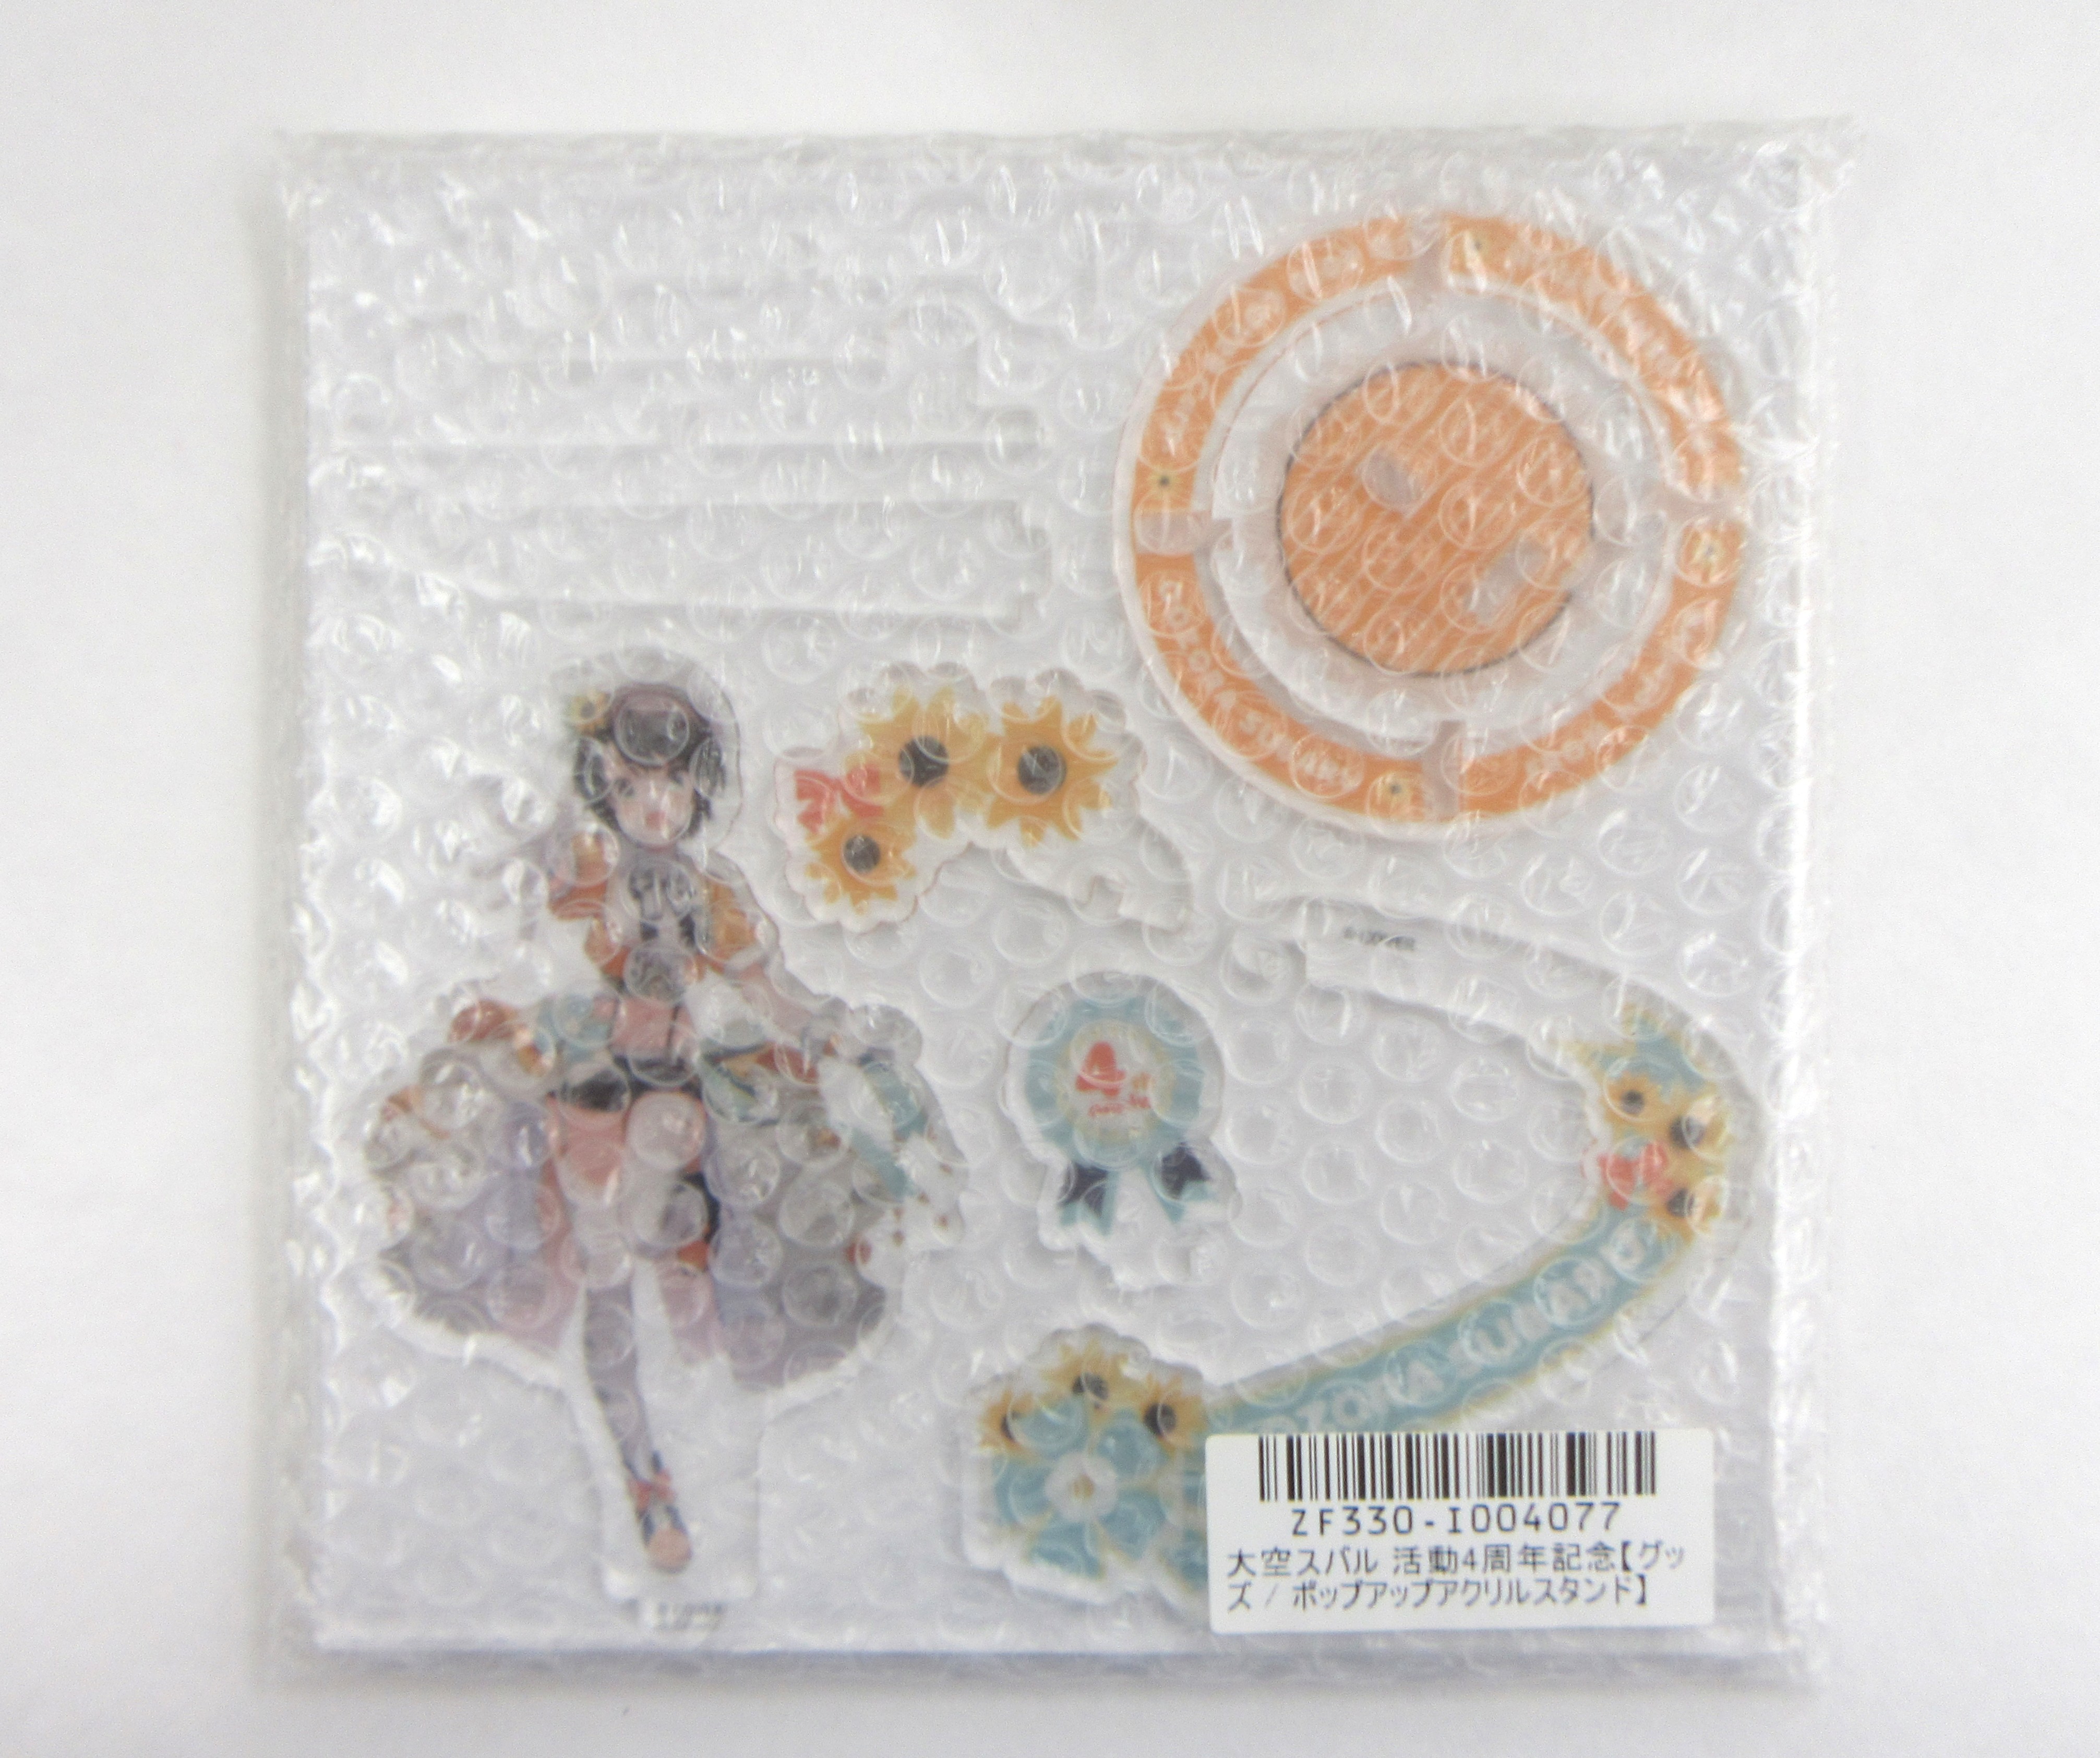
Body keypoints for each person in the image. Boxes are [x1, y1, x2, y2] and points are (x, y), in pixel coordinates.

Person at [370, 665, 964, 1573]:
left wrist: (832, 1031)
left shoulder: (709, 895)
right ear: (604, 790)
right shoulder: (585, 875)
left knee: (704, 1287)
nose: (655, 805)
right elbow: (526, 927)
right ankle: (645, 1479)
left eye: (674, 785)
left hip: (682, 1104)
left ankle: (715, 1473)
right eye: (631, 787)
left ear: (699, 790)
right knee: (606, 1277)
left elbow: (769, 991)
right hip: (590, 1098)